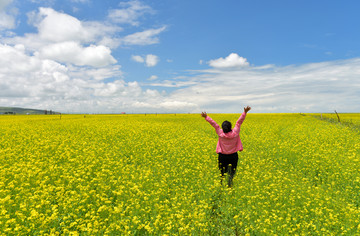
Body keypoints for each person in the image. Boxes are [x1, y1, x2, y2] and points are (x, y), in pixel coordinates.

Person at [201, 106, 251, 187]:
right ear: (230, 127)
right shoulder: (235, 133)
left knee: (222, 173)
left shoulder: (220, 133)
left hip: (222, 156)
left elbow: (215, 125)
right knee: (231, 174)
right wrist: (245, 112)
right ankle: (230, 186)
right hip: (233, 156)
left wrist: (206, 117)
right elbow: (239, 122)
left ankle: (221, 186)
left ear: (223, 128)